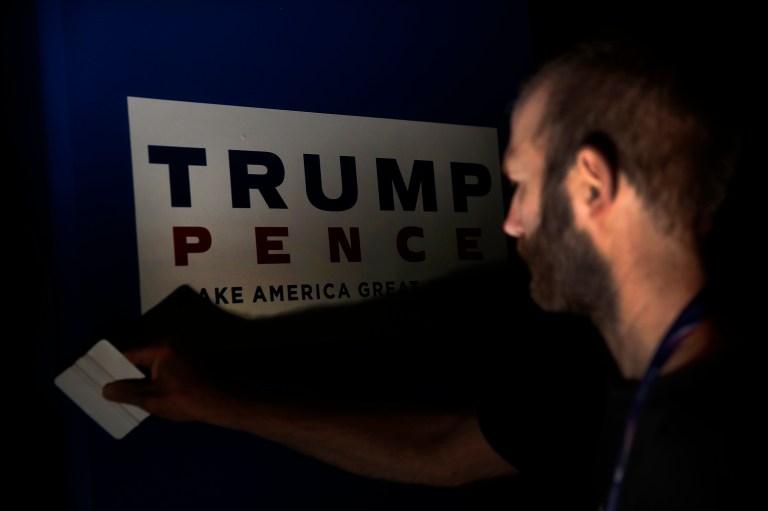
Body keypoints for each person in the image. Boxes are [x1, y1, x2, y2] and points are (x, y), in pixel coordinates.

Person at [103, 36, 758, 510]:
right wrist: (219, 402)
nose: (509, 221)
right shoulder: (600, 367)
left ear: (591, 185)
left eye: (521, 185)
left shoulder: (711, 449)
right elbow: (444, 450)